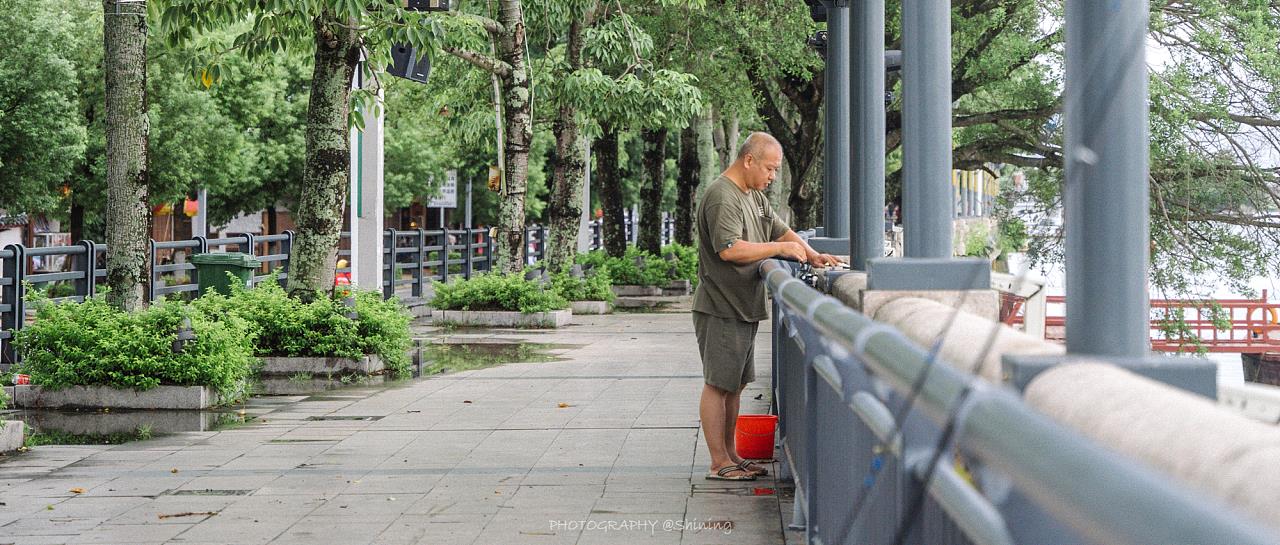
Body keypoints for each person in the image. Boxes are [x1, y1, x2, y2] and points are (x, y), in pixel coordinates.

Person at [692, 132, 843, 481]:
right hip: (720, 305)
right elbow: (729, 249)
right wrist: (777, 251)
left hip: (742, 305)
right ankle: (719, 463)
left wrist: (811, 254)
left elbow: (779, 229)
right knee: (718, 385)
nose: (773, 176)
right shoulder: (722, 197)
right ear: (748, 160)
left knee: (735, 385)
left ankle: (731, 455)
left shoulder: (754, 196)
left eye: (776, 170)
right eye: (770, 168)